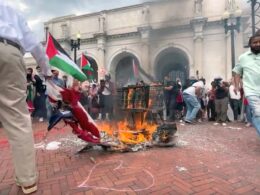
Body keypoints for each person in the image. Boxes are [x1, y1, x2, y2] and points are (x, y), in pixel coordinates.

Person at [0, 1, 52, 194]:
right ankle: (28, 180)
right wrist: (45, 69)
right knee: (18, 120)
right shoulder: (9, 10)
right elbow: (33, 44)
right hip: (7, 51)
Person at [233, 31, 260, 136]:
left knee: (257, 115)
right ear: (250, 44)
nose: (258, 44)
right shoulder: (243, 57)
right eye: (255, 42)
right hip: (251, 90)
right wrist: (236, 85)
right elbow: (237, 72)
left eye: (259, 42)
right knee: (258, 112)